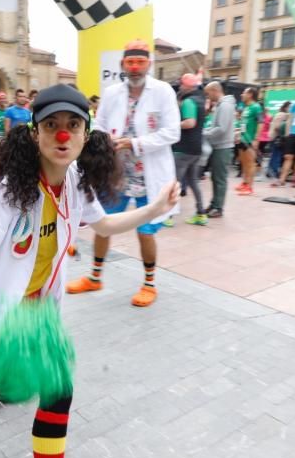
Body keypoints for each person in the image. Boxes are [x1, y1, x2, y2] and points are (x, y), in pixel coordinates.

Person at [0, 83, 177, 458]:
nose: (62, 134)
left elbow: (103, 225)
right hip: (0, 313)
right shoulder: (8, 190)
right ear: (35, 133)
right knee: (59, 388)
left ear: (85, 133)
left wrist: (154, 209)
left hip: (42, 311)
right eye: (52, 125)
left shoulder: (77, 181)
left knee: (19, 382)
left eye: (72, 125)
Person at [66, 38, 180, 307]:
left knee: (145, 230)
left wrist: (134, 143)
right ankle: (95, 277)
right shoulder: (112, 92)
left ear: (149, 64)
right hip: (115, 172)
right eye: (131, 62)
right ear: (123, 65)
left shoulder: (163, 91)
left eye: (140, 62)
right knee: (102, 225)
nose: (136, 67)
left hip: (148, 175)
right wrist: (106, 142)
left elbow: (172, 132)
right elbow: (101, 124)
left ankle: (149, 284)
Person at [172, 73, 208, 225]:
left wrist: (173, 126)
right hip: (196, 149)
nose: (179, 87)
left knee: (175, 183)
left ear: (187, 86)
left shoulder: (189, 102)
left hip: (183, 148)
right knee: (193, 182)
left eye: (181, 84)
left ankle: (167, 217)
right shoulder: (201, 100)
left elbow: (190, 122)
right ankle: (201, 214)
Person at [203, 80, 235, 218]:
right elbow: (216, 126)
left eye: (208, 93)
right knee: (215, 178)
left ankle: (218, 207)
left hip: (223, 147)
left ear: (215, 90)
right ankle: (214, 203)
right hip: (218, 146)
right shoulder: (221, 105)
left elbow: (221, 128)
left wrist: (204, 133)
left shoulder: (225, 106)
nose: (207, 96)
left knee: (220, 179)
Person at [235, 87, 261, 195]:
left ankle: (250, 187)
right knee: (244, 163)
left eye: (244, 93)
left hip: (250, 140)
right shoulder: (246, 107)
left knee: (250, 163)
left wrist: (256, 139)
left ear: (250, 95)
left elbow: (261, 123)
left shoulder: (256, 107)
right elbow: (242, 123)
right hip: (242, 138)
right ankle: (245, 183)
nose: (242, 95)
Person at [267, 101, 290, 181]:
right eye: (289, 107)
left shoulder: (278, 113)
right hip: (278, 138)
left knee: (274, 154)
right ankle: (274, 171)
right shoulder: (283, 115)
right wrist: (282, 134)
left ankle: (269, 171)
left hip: (273, 137)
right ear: (286, 107)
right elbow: (277, 127)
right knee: (277, 155)